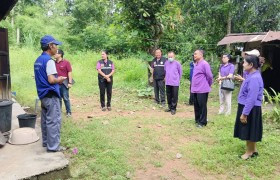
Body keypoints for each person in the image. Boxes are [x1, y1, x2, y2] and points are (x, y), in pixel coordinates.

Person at [34, 35, 66, 152]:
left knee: (45, 120)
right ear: (50, 46)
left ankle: (46, 142)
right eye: (55, 45)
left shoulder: (38, 60)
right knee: (53, 121)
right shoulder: (49, 61)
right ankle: (53, 147)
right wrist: (60, 79)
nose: (56, 48)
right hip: (51, 95)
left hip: (42, 95)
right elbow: (52, 80)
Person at [234, 55, 263, 160]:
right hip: (250, 106)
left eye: (245, 62)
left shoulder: (254, 78)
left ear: (251, 65)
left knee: (248, 129)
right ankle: (254, 150)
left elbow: (251, 98)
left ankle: (249, 152)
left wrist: (244, 113)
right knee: (252, 129)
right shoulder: (252, 75)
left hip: (250, 107)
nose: (243, 64)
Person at [191, 49, 213, 128]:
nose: (194, 55)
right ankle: (197, 119)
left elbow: (209, 76)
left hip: (202, 89)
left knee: (202, 106)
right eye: (194, 54)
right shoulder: (196, 64)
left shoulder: (204, 64)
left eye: (196, 54)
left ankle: (203, 122)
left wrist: (209, 84)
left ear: (201, 55)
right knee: (196, 105)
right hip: (195, 89)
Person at [54, 49, 73, 117]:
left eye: (56, 53)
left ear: (60, 54)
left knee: (65, 98)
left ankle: (68, 112)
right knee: (58, 98)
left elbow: (69, 72)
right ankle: (59, 112)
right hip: (56, 83)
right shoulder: (53, 62)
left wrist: (70, 82)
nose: (54, 54)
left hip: (64, 83)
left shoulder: (66, 62)